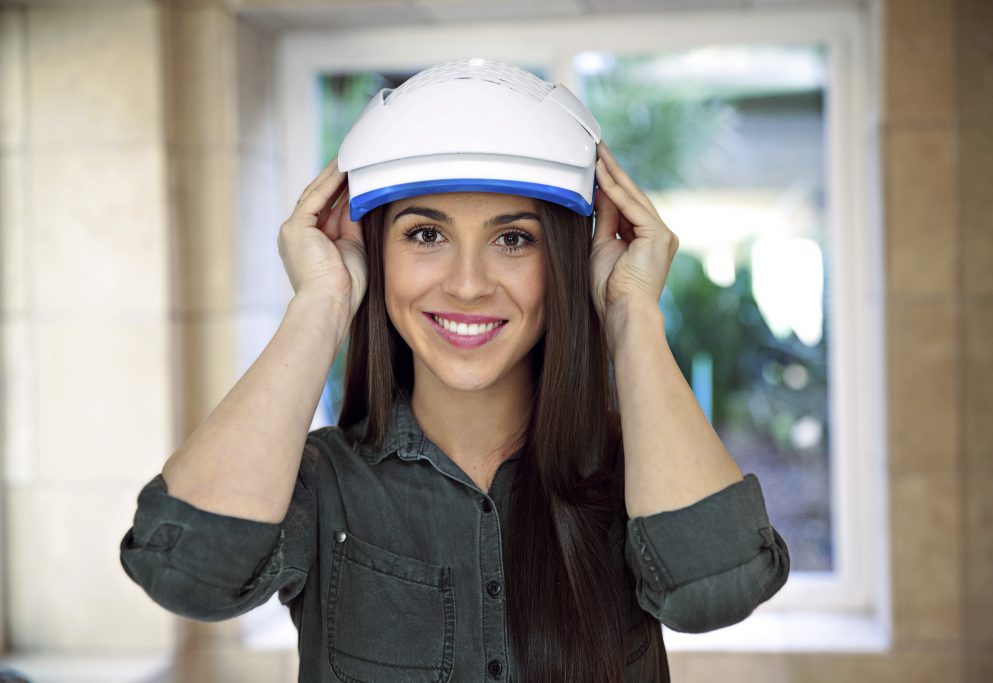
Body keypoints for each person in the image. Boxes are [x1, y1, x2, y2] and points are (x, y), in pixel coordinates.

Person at [120, 58, 789, 683]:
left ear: (560, 260)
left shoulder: (632, 467)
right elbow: (181, 570)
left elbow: (716, 590)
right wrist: (321, 304)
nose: (468, 284)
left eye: (513, 238)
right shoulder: (324, 483)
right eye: (425, 234)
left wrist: (631, 312)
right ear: (375, 252)